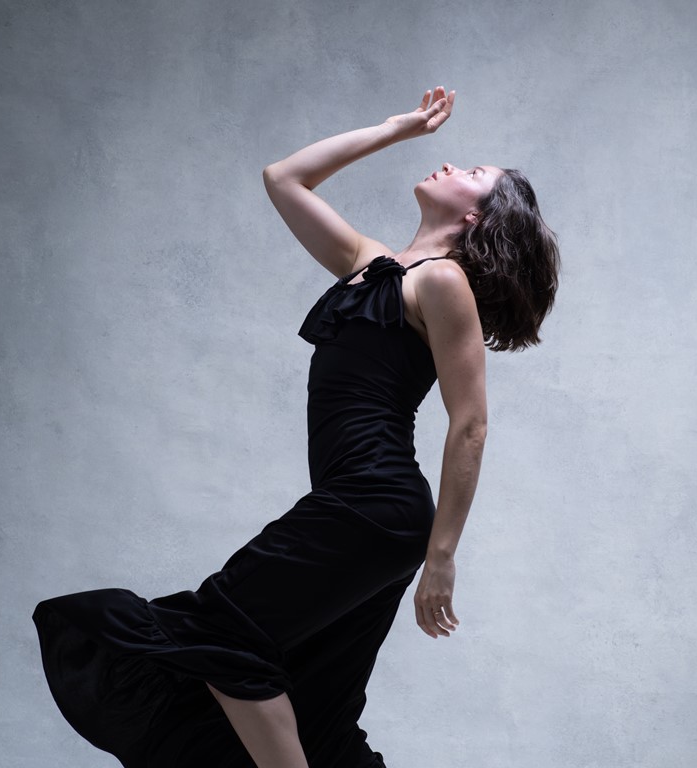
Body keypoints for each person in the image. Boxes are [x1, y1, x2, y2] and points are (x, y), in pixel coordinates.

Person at [32, 86, 560, 768]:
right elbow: (284, 177)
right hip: (362, 506)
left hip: (377, 505)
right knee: (317, 702)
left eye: (473, 174)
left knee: (225, 632)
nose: (453, 164)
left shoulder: (442, 282)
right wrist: (398, 128)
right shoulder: (371, 265)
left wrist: (442, 557)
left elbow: (471, 426)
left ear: (477, 217)